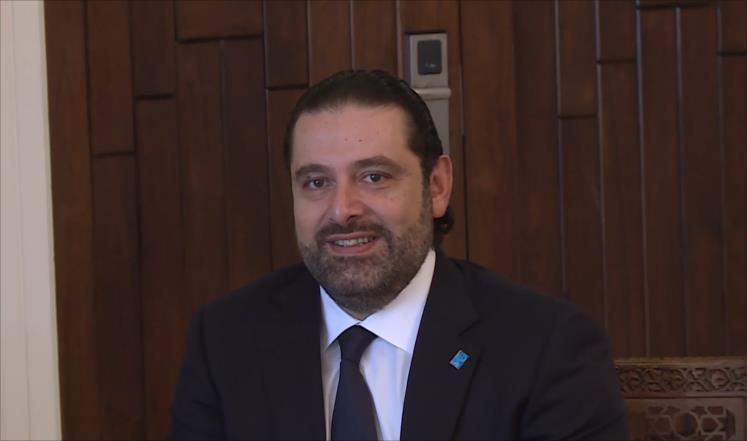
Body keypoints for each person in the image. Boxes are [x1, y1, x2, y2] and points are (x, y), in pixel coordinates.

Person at [170, 70, 630, 440]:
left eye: (374, 177)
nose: (342, 209)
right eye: (316, 182)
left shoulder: (546, 348)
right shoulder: (225, 341)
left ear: (437, 186)